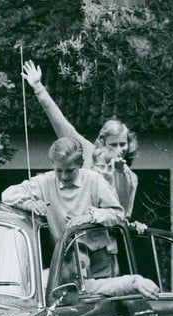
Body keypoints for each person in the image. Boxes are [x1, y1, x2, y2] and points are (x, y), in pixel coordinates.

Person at [21, 59, 139, 219]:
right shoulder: (85, 151)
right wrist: (38, 87)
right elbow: (60, 122)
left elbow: (123, 213)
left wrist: (120, 173)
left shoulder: (129, 176)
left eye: (123, 144)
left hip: (108, 236)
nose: (119, 150)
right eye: (113, 144)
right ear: (103, 142)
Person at [2, 136, 124, 278]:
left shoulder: (95, 180)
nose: (64, 176)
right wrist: (30, 203)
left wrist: (91, 217)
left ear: (81, 164)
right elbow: (7, 194)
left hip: (99, 258)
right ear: (52, 164)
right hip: (67, 258)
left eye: (70, 170)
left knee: (104, 294)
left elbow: (117, 213)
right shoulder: (45, 181)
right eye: (59, 170)